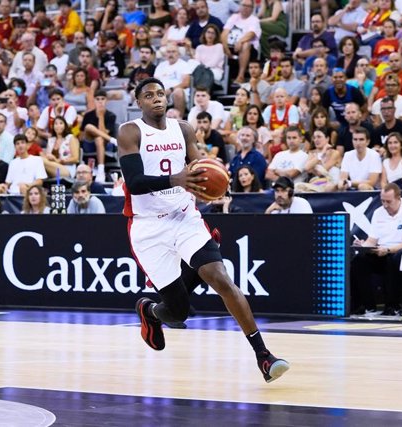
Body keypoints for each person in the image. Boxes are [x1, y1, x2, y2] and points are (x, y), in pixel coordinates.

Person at [117, 77, 289, 383]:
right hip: (148, 228)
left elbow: (197, 165)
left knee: (221, 278)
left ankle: (263, 355)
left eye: (161, 94)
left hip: (185, 217)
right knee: (178, 312)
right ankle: (151, 311)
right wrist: (176, 180)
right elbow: (134, 183)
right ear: (139, 102)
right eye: (149, 95)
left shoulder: (182, 129)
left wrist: (212, 175)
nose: (157, 98)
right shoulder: (130, 132)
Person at [350, 183, 402, 315]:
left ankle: (392, 305)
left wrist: (388, 250)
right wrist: (363, 246)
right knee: (359, 260)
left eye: (388, 201)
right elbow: (372, 239)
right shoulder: (378, 212)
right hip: (381, 251)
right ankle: (367, 305)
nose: (385, 205)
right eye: (382, 201)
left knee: (394, 258)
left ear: (398, 198)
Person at [221, 0, 262, 84]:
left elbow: (251, 34)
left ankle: (241, 76)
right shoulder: (233, 17)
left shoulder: (254, 20)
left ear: (252, 9)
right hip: (230, 47)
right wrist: (225, 48)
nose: (245, 8)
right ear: (240, 6)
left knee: (245, 44)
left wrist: (240, 41)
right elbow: (224, 33)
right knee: (218, 45)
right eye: (244, 5)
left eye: (248, 6)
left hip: (249, 49)